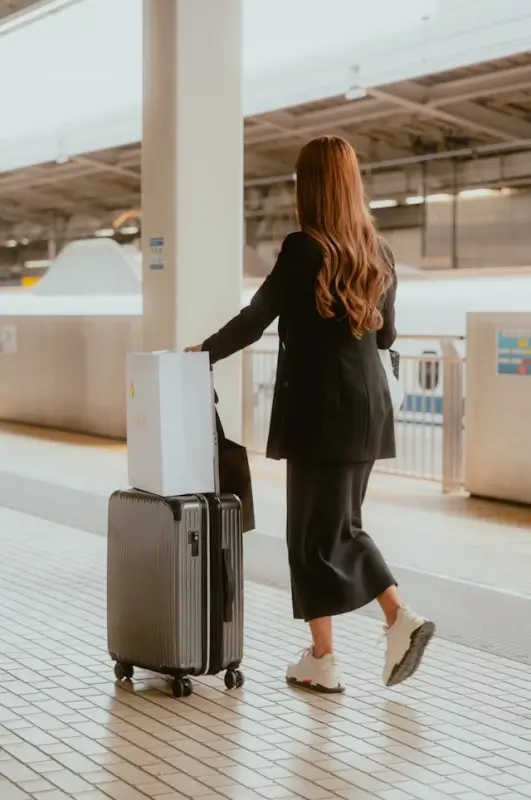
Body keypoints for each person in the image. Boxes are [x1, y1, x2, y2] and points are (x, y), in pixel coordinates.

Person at [186, 135, 435, 693]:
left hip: (321, 413)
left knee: (313, 535)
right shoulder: (379, 251)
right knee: (339, 527)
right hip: (368, 409)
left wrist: (197, 356)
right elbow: (387, 334)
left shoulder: (304, 248)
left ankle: (395, 620)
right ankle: (325, 656)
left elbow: (256, 317)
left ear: (310, 186)